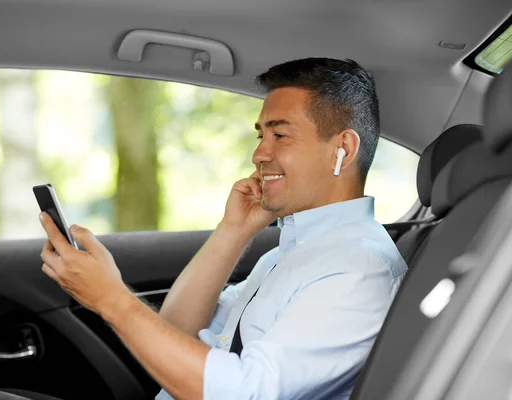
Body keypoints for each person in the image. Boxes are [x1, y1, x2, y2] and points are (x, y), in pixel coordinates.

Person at [37, 57, 408, 399]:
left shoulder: (357, 269)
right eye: (261, 135)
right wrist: (233, 231)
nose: (259, 154)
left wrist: (110, 299)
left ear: (342, 148)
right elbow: (178, 332)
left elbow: (245, 392)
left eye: (280, 135)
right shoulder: (293, 253)